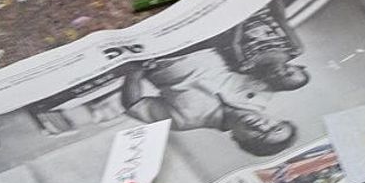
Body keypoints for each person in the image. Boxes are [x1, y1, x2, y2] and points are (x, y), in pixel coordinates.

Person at [121, 48, 296, 156]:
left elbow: (133, 104)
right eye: (275, 127)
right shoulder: (263, 91)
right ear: (277, 118)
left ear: (238, 139)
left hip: (156, 55)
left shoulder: (185, 121)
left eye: (260, 136)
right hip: (202, 39)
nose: (262, 127)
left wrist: (135, 73)